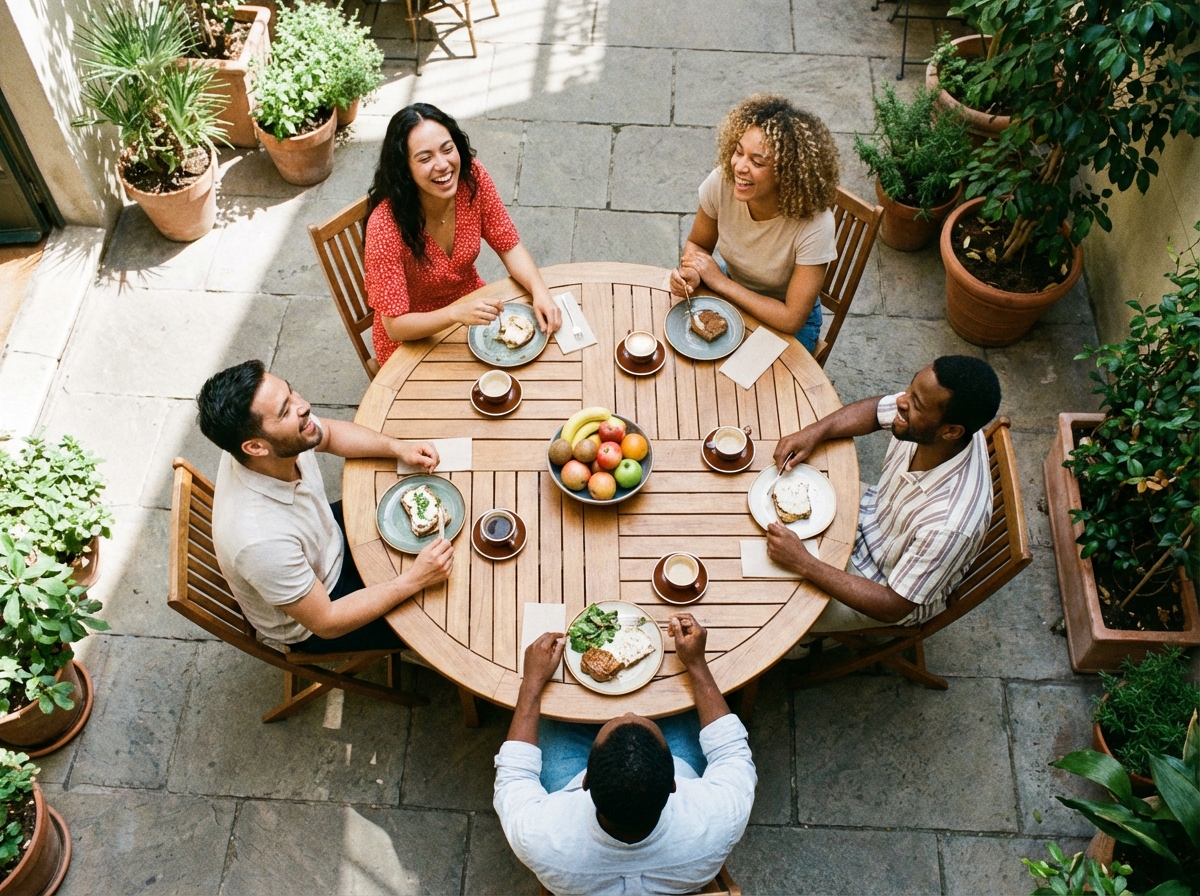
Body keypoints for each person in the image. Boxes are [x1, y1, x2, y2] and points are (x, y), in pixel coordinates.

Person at [197, 360, 454, 653]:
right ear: (255, 447)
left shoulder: (281, 440)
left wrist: (397, 448)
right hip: (327, 606)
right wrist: (413, 580)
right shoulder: (259, 540)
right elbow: (327, 622)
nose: (304, 405)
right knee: (443, 618)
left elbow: (329, 433)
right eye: (285, 410)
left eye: (291, 392)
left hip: (327, 538)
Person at [494, 614, 756, 896]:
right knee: (690, 706)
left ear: (585, 780)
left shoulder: (539, 837)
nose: (629, 713)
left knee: (548, 713)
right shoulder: (721, 818)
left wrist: (532, 683)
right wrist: (696, 664)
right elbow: (731, 751)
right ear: (673, 783)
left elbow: (514, 776)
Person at [767, 355, 1002, 634]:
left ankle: (799, 645)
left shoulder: (950, 525)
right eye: (910, 391)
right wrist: (815, 432)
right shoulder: (933, 424)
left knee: (773, 610)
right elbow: (876, 410)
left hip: (879, 585)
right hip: (871, 514)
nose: (901, 402)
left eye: (915, 403)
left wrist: (804, 564)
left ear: (951, 431)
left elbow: (892, 606)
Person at [364, 103, 561, 366]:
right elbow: (395, 326)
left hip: (471, 307)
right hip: (412, 338)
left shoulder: (473, 178)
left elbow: (508, 245)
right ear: (405, 170)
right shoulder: (385, 226)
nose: (443, 165)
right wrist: (455, 314)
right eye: (425, 158)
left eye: (447, 149)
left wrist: (540, 292)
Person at [669, 94, 840, 354]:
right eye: (738, 152)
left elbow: (791, 318)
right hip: (732, 287)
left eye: (757, 162)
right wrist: (692, 270)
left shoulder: (816, 225)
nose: (739, 167)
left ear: (788, 173)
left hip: (783, 319)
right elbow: (697, 244)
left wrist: (720, 283)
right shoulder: (722, 182)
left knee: (742, 386)